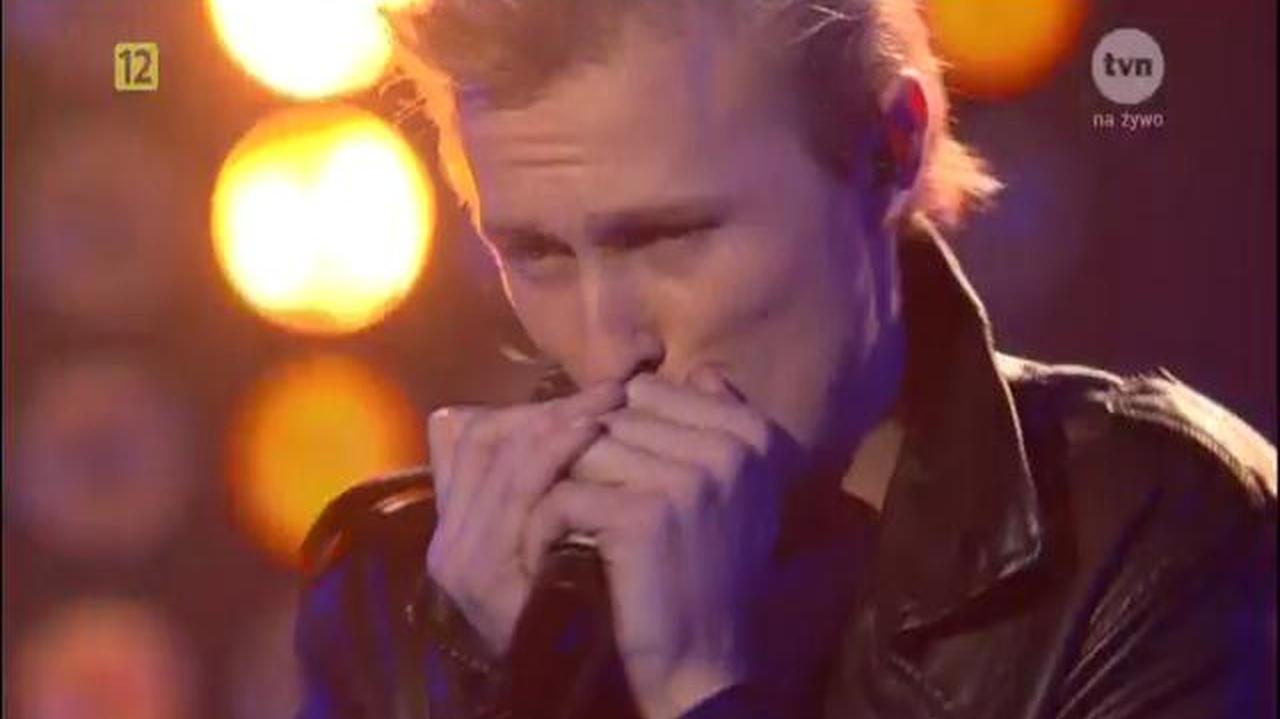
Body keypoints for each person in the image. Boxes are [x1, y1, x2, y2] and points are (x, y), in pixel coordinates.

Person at [294, 2, 1277, 717]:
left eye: (668, 238)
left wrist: (700, 686)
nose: (607, 346)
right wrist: (495, 680)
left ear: (890, 146)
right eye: (537, 253)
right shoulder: (401, 592)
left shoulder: (1146, 535)